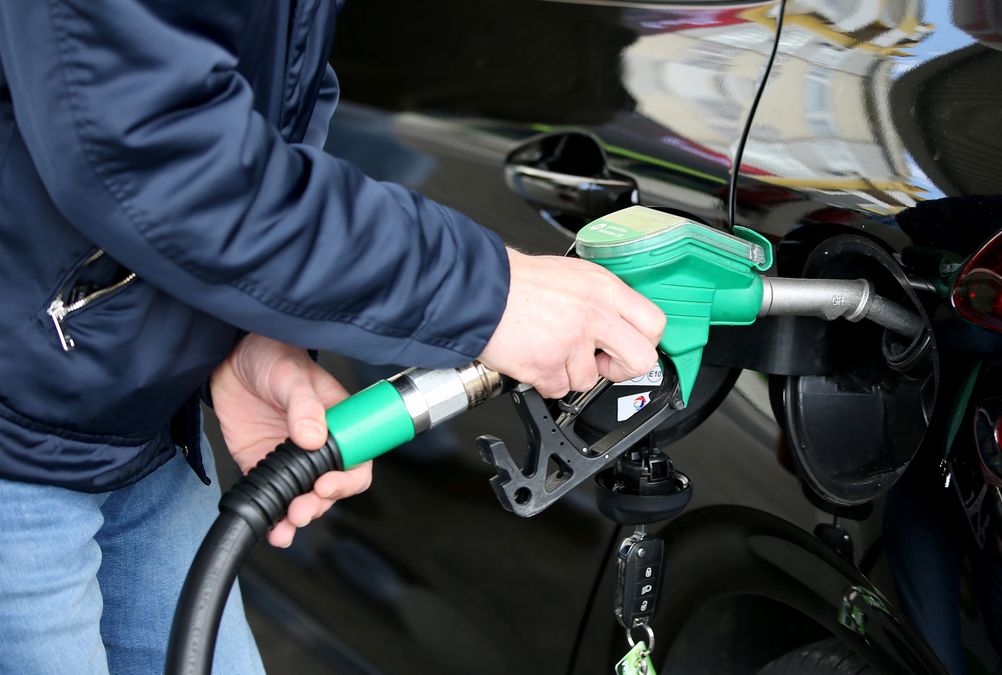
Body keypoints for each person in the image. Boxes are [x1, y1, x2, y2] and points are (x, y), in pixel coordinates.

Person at [0, 2, 666, 673]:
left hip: (135, 430)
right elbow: (145, 148)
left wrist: (246, 333)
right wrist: (490, 292)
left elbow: (263, 107)